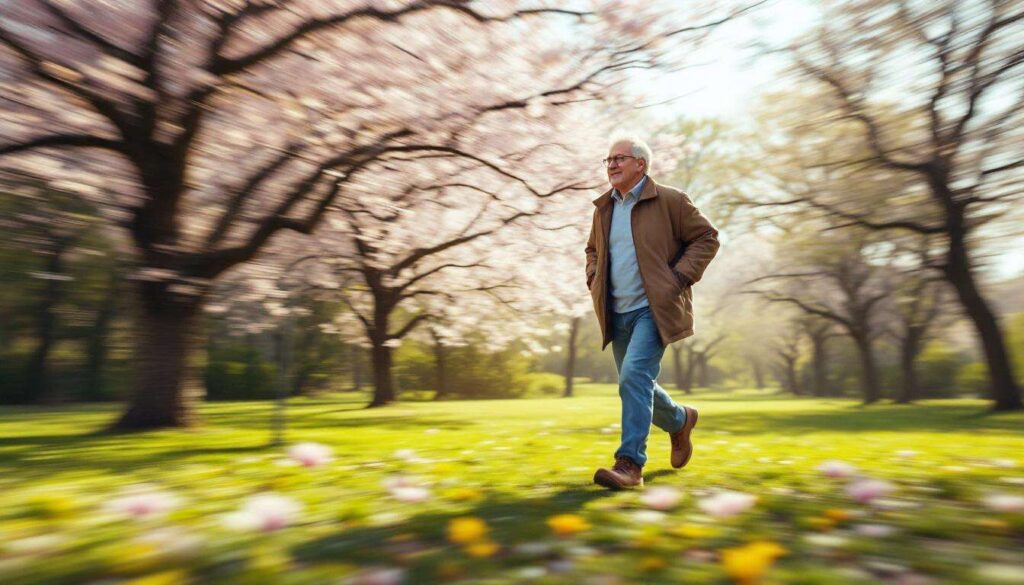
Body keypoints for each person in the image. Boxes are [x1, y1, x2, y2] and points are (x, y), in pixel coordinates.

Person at [585, 135, 720, 490]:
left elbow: (706, 237)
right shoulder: (604, 208)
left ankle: (629, 464)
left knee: (633, 377)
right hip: (617, 312)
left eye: (620, 158)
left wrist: (677, 278)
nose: (611, 164)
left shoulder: (671, 201)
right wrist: (593, 276)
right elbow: (592, 250)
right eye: (608, 159)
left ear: (640, 164)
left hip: (653, 310)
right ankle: (679, 421)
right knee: (637, 382)